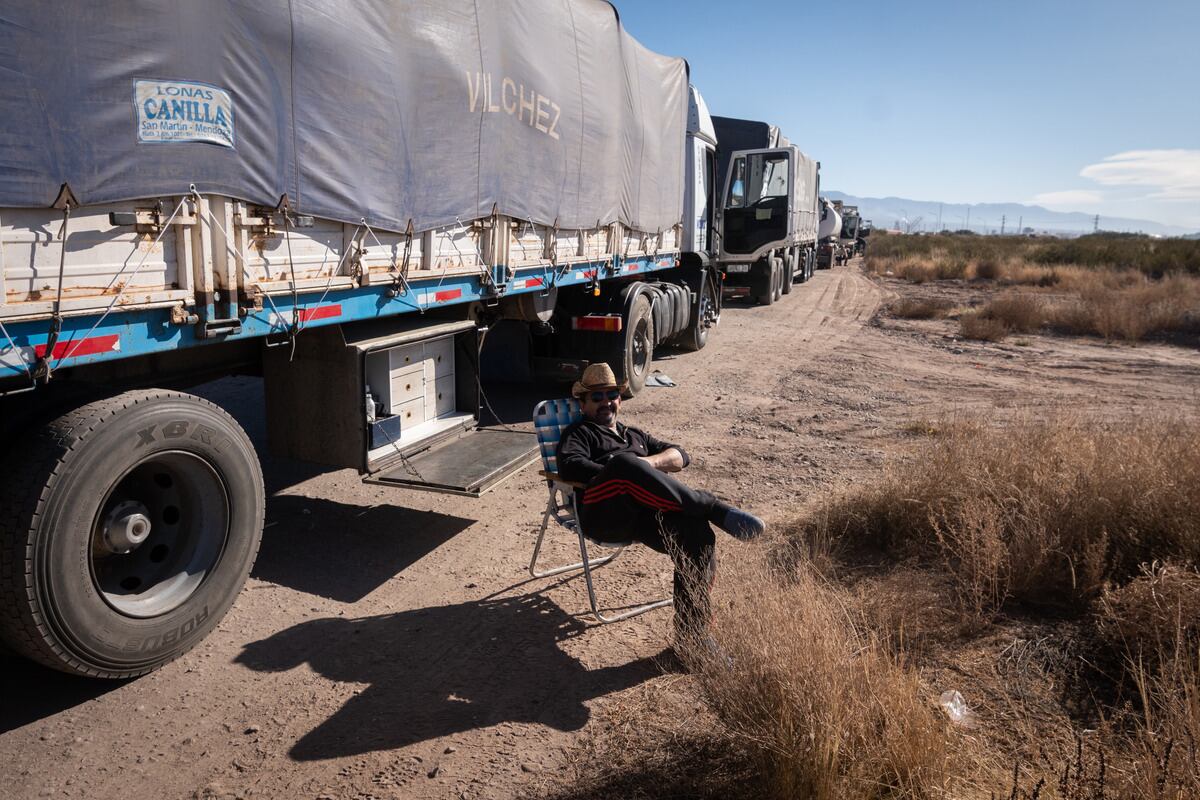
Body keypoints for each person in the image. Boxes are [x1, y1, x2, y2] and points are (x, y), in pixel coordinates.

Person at [556, 362, 765, 642]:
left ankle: (692, 640)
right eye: (596, 397)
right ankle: (714, 508)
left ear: (619, 400)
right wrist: (624, 470)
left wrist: (645, 466)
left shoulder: (635, 436)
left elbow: (680, 455)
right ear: (582, 404)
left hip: (644, 516)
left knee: (697, 536)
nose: (606, 402)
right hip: (604, 513)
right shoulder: (579, 433)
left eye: (611, 395)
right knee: (623, 464)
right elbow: (570, 467)